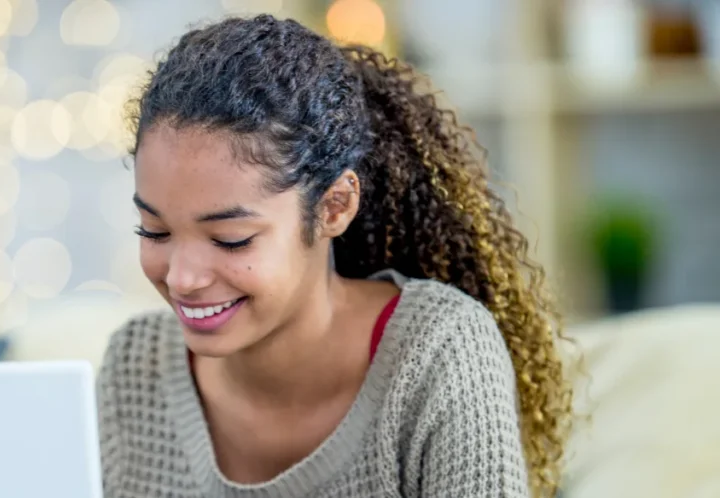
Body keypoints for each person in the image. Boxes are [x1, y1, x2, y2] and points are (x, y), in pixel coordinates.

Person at [96, 14, 572, 498]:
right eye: (154, 231)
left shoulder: (438, 355)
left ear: (334, 206)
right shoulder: (134, 367)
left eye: (230, 239)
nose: (182, 278)